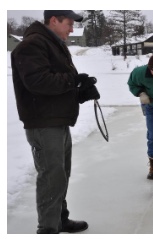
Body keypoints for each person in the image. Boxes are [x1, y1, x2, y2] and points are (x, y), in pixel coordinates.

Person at [11, 10, 100, 234]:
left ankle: (59, 218)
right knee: (51, 176)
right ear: (54, 20)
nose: (72, 29)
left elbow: (55, 85)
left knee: (60, 175)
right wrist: (74, 80)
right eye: (69, 24)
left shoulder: (54, 44)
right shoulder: (32, 45)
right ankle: (48, 228)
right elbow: (38, 82)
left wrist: (81, 92)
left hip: (56, 119)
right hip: (43, 122)